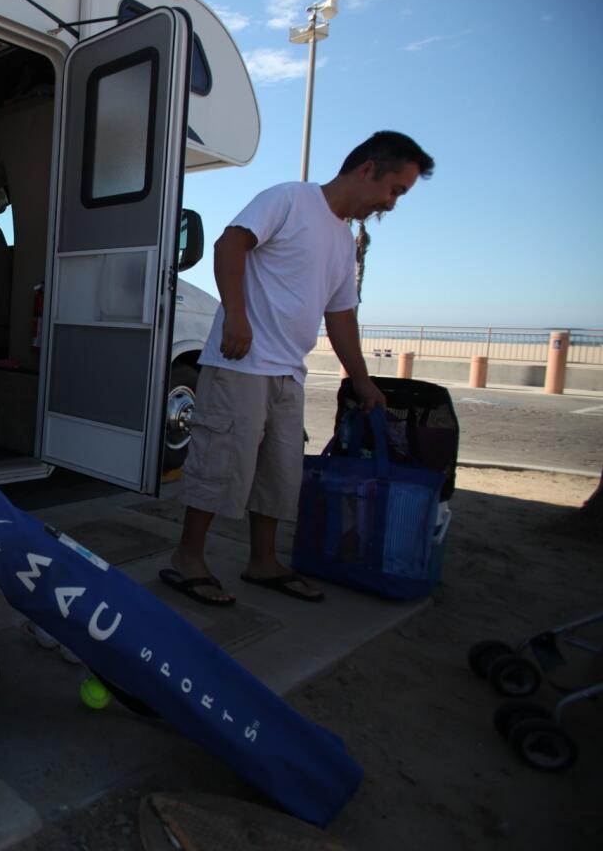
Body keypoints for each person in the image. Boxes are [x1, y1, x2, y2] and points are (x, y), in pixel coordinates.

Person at [162, 131, 435, 607]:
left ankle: (263, 562)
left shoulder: (345, 241)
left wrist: (362, 378)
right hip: (241, 364)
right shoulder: (291, 198)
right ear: (368, 168)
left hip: (290, 372)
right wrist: (238, 316)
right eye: (395, 190)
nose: (392, 204)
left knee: (278, 474)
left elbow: (341, 316)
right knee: (220, 463)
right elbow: (231, 244)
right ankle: (188, 558)